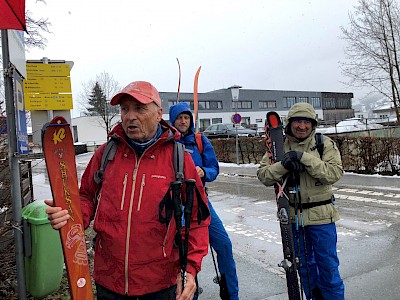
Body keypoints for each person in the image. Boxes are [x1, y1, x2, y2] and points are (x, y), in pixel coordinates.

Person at [45, 81, 210, 300]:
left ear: (159, 113)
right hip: (109, 281)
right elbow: (86, 197)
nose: (129, 116)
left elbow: (198, 218)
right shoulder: (106, 154)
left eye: (139, 108)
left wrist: (190, 269)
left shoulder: (178, 158)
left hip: (159, 284)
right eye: (124, 109)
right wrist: (70, 216)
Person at [257, 102, 345, 300]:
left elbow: (333, 173)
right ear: (290, 124)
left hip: (322, 217)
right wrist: (283, 164)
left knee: (329, 270)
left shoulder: (324, 143)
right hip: (293, 220)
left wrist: (304, 158)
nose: (302, 126)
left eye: (307, 122)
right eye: (298, 121)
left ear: (313, 124)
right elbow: (263, 175)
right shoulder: (278, 146)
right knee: (305, 270)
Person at [169, 102, 239, 300]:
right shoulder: (167, 143)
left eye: (186, 117)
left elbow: (214, 169)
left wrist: (204, 172)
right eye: (179, 118)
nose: (183, 121)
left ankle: (231, 293)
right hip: (177, 204)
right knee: (184, 253)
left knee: (224, 244)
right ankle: (189, 294)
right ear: (172, 120)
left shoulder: (200, 141)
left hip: (201, 202)